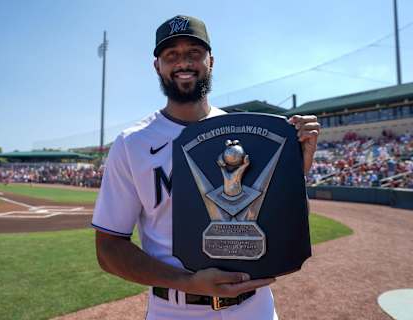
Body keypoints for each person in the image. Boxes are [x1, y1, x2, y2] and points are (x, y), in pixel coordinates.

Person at [92, 15, 320, 320]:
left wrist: (294, 175)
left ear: (210, 61)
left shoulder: (250, 134)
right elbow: (108, 249)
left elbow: (285, 227)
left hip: (255, 307)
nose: (183, 62)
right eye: (171, 55)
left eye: (194, 53)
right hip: (174, 310)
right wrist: (186, 281)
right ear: (157, 65)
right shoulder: (132, 143)